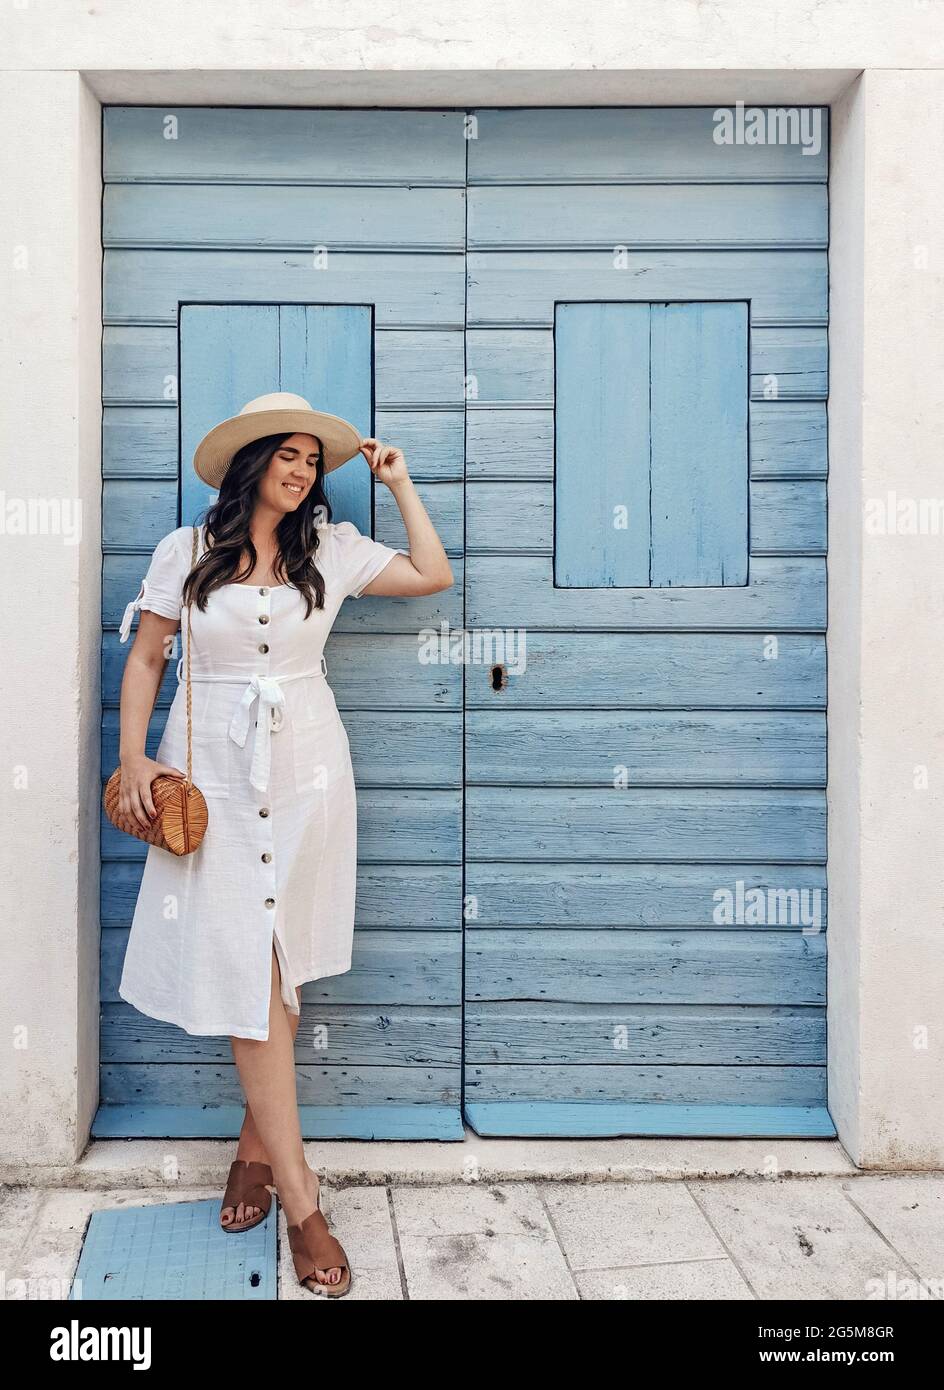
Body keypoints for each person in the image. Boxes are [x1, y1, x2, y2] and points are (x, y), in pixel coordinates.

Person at [116, 393, 453, 1296]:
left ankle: (252, 1155)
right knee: (249, 972)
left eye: (314, 460)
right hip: (213, 778)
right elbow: (148, 657)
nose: (304, 471)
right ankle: (304, 1201)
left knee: (281, 964)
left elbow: (432, 574)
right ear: (252, 462)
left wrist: (400, 479)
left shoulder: (330, 551)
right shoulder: (184, 554)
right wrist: (135, 759)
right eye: (289, 456)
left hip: (308, 771)